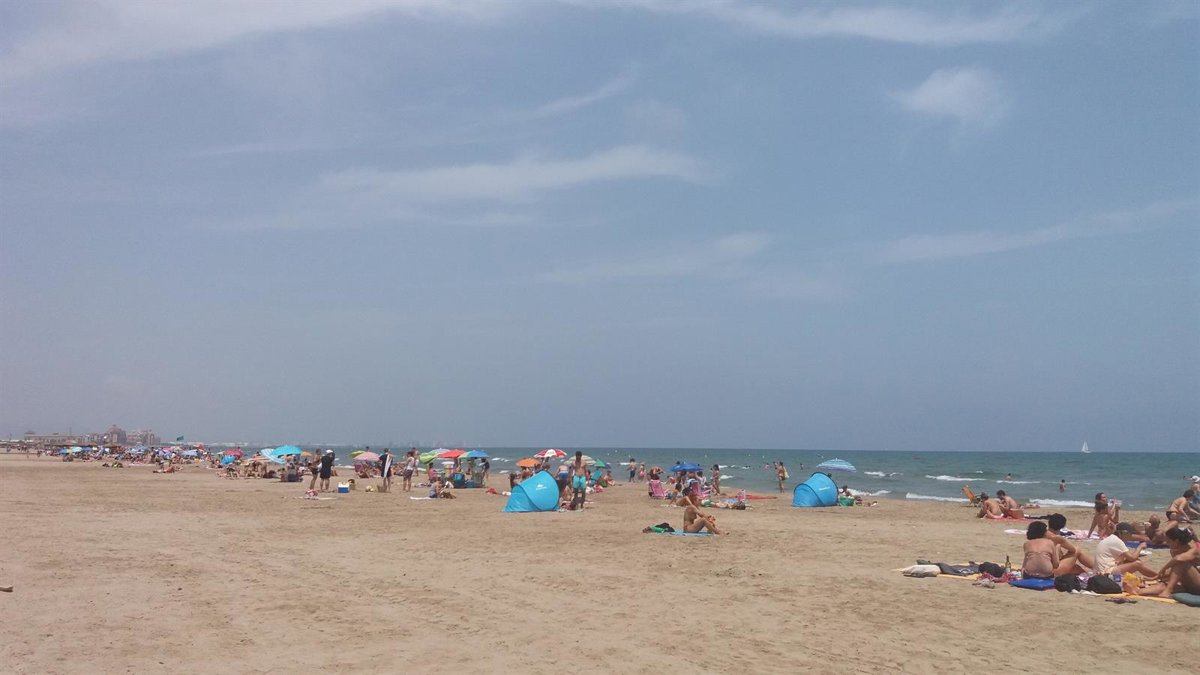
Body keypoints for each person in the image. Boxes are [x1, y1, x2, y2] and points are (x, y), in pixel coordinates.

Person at [1122, 527, 1200, 597]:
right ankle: (1138, 591)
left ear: (1176, 541)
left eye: (1168, 541)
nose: (1167, 543)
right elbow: (1175, 571)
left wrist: (1159, 573)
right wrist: (1154, 578)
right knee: (1163, 585)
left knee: (1182, 564)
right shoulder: (1175, 551)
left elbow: (1178, 559)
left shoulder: (1194, 550)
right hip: (1190, 584)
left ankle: (1168, 591)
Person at [1093, 528, 1159, 577]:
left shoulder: (1112, 538)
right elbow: (1132, 558)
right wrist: (1140, 547)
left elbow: (1127, 558)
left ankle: (1156, 576)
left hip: (1102, 571)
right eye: (1129, 535)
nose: (1130, 537)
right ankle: (1158, 576)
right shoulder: (1117, 541)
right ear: (1124, 533)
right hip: (1105, 573)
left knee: (1136, 561)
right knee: (1137, 564)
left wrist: (1138, 554)